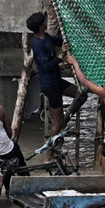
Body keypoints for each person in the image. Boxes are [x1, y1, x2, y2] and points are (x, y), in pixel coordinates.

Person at [26, 10, 82, 158]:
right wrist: (60, 58)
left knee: (80, 93)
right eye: (44, 21)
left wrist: (68, 37)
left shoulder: (45, 37)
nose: (46, 21)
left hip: (56, 81)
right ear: (41, 26)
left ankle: (65, 120)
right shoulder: (38, 44)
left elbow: (56, 40)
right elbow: (45, 66)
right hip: (50, 85)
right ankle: (48, 155)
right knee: (56, 122)